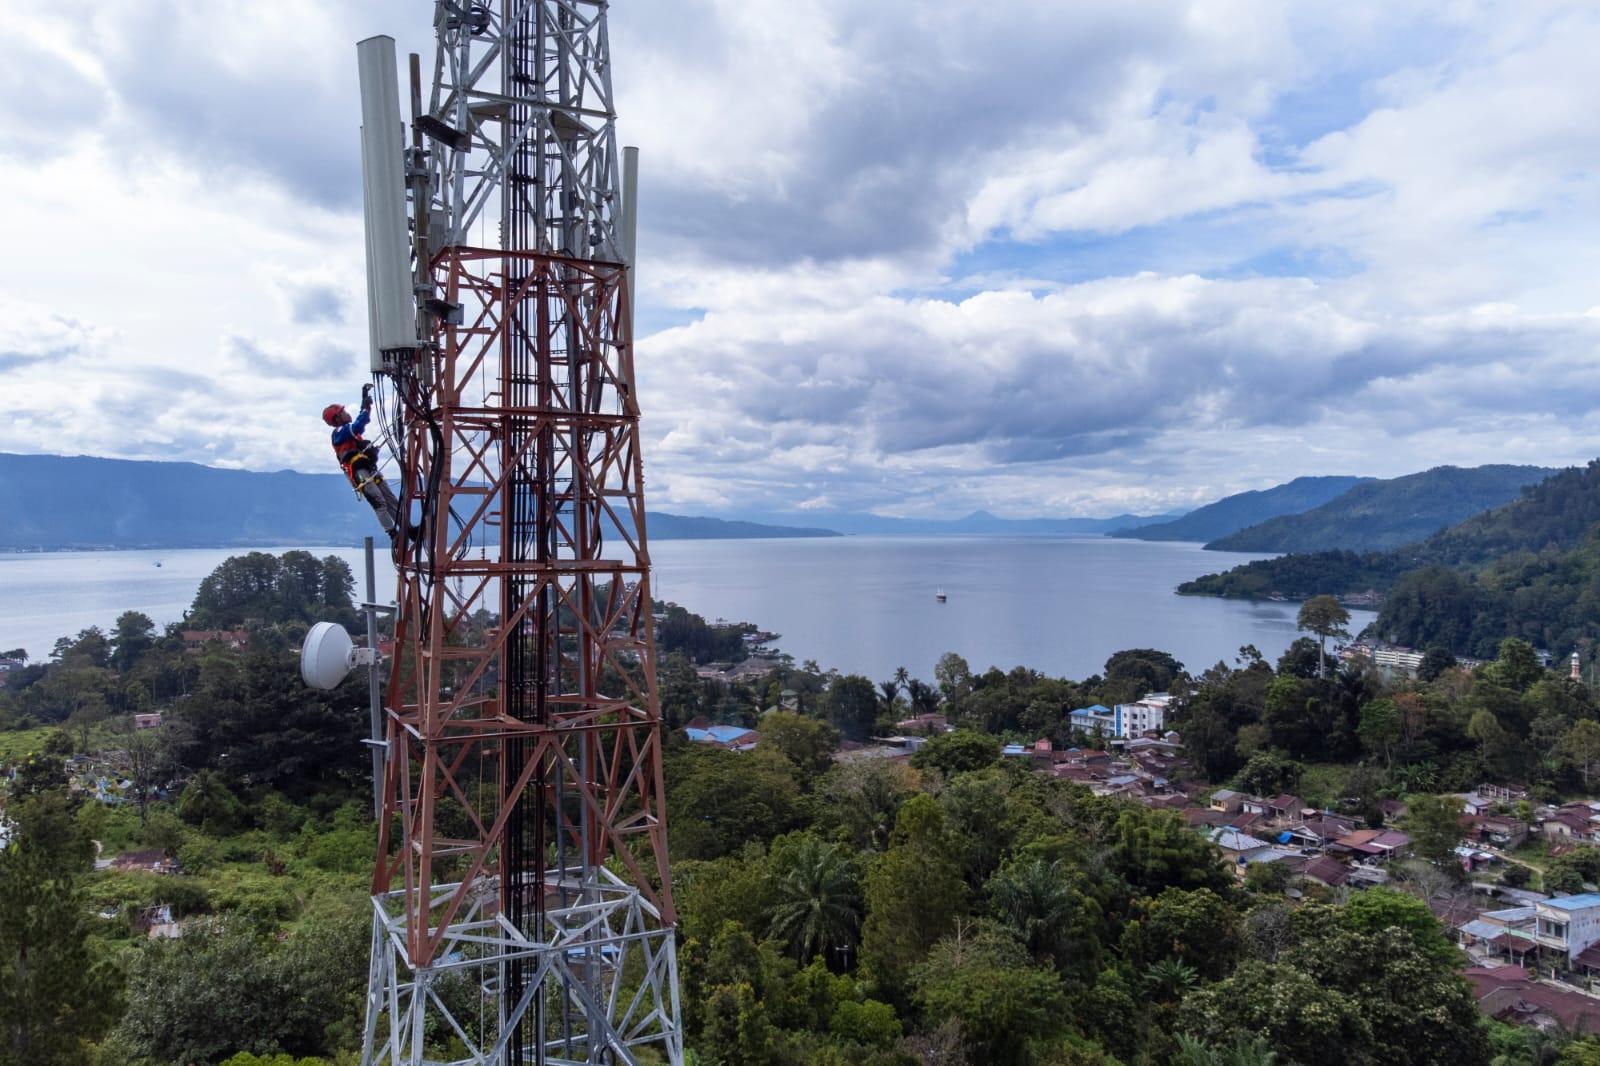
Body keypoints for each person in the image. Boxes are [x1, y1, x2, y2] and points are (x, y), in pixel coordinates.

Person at [323, 384, 407, 542]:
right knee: (379, 501)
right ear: (337, 419)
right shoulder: (339, 432)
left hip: (369, 469)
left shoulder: (347, 433)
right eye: (343, 412)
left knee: (391, 500)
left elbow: (361, 422)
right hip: (360, 472)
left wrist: (365, 403)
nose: (347, 414)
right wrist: (365, 404)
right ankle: (392, 533)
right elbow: (358, 425)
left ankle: (407, 529)